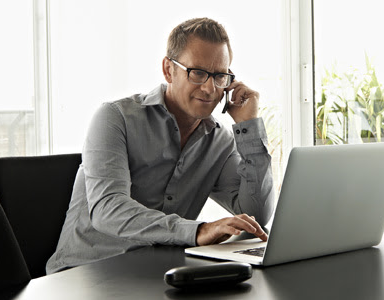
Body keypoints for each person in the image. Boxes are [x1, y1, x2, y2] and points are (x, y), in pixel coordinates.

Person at [46, 17, 275, 274]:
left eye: (220, 76)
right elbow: (108, 209)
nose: (211, 88)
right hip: (85, 273)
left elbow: (256, 215)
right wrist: (197, 231)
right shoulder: (114, 118)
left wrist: (250, 128)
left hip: (160, 271)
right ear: (169, 70)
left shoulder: (219, 141)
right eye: (198, 72)